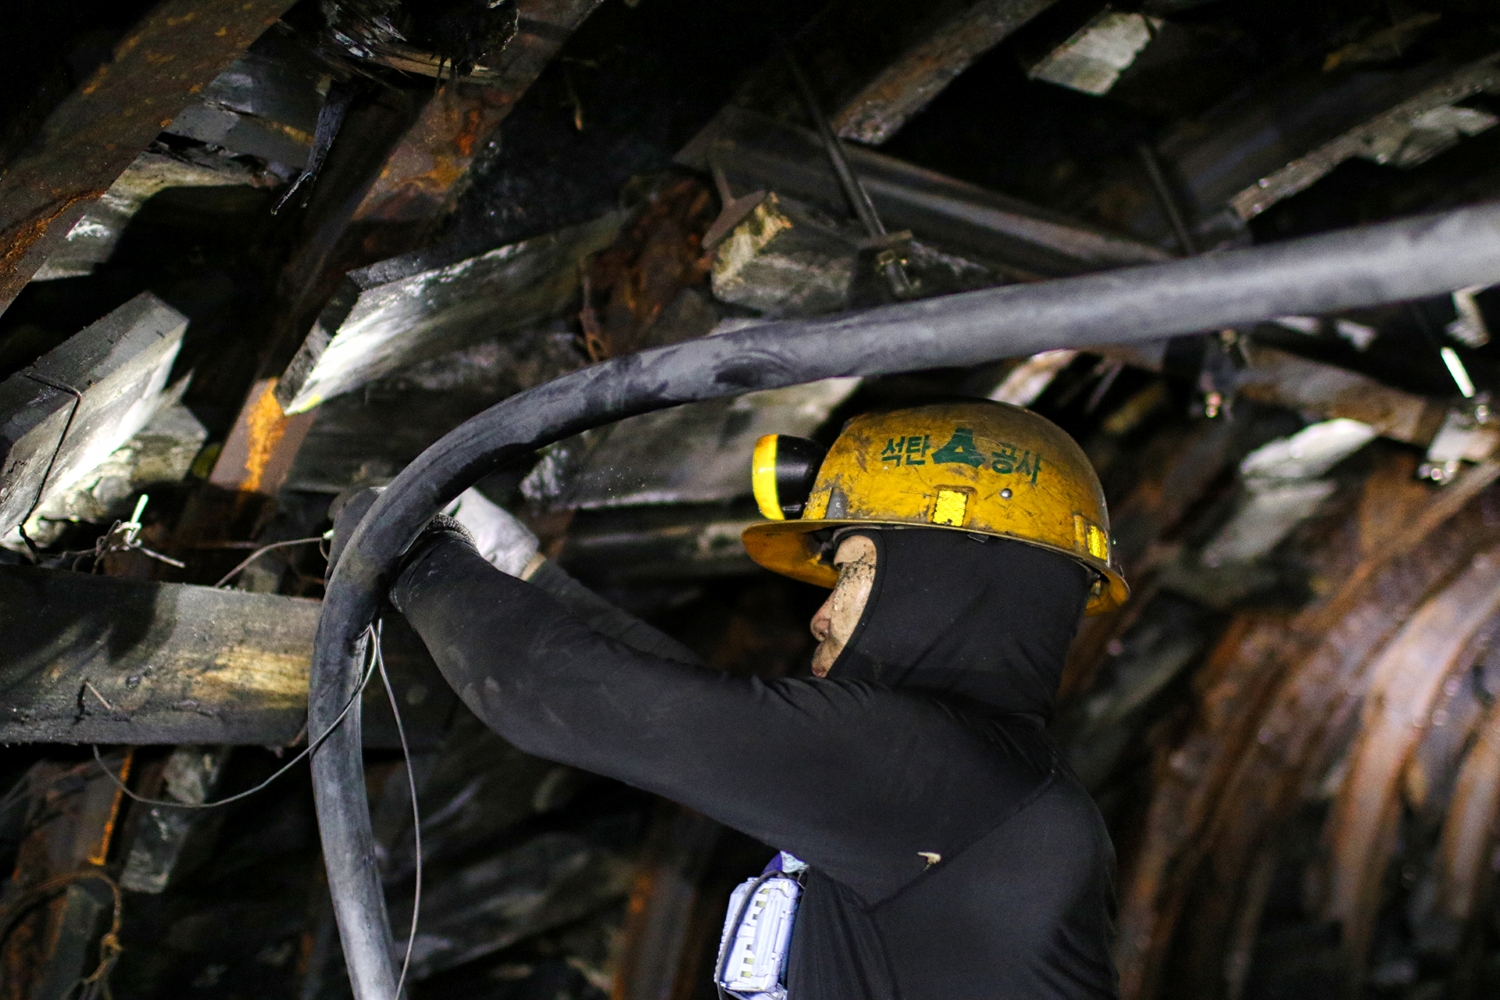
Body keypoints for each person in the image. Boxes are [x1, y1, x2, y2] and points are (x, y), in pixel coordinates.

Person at [333, 401, 1128, 1000]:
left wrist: (407, 551)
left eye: (853, 571)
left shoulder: (937, 770)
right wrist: (520, 569)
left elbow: (558, 691)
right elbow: (699, 709)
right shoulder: (977, 785)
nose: (820, 615)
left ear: (947, 579)